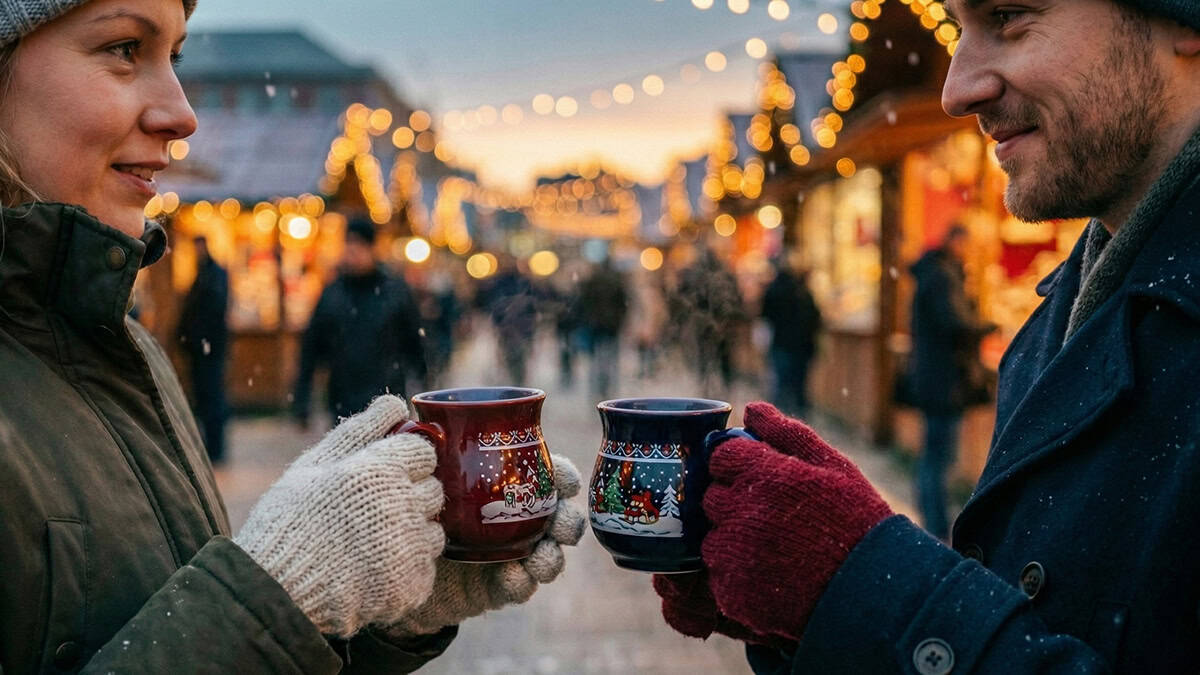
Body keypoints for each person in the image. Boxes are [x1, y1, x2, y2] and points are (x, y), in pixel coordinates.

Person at [0, 2, 584, 673]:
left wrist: (374, 616)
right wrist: (281, 592)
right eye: (125, 48)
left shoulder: (131, 352)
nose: (183, 113)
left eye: (176, 57)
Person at [654, 1, 1200, 672]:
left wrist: (862, 585)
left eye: (1010, 16)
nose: (955, 88)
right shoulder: (1060, 319)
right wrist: (817, 609)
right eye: (960, 27)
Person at [292, 216, 428, 427]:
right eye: (349, 244)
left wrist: (424, 387)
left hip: (388, 400)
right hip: (343, 400)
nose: (353, 251)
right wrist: (302, 399)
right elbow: (311, 347)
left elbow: (415, 344)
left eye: (359, 245)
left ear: (372, 249)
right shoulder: (332, 294)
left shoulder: (394, 292)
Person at [907, 225, 994, 540]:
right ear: (957, 242)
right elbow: (954, 323)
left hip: (932, 378)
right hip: (943, 381)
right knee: (939, 456)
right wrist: (985, 327)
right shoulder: (942, 277)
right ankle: (937, 523)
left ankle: (933, 516)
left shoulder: (931, 273)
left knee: (933, 454)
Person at [176, 235, 230, 464]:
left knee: (211, 397)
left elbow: (211, 312)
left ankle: (215, 448)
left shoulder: (213, 275)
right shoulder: (206, 273)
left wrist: (196, 336)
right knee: (207, 397)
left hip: (208, 348)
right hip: (203, 348)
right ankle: (212, 446)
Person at [760, 261, 821, 417]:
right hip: (801, 348)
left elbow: (765, 317)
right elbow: (815, 320)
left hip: (781, 345)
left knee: (781, 385)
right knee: (799, 387)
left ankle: (778, 421)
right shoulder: (803, 293)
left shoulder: (773, 291)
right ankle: (799, 421)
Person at [479, 254, 537, 384]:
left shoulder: (521, 282)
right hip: (509, 330)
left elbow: (530, 306)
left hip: (520, 328)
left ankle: (517, 384)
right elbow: (494, 305)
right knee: (510, 357)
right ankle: (515, 384)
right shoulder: (501, 283)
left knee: (517, 358)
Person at [578, 257, 629, 399]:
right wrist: (620, 320)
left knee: (595, 360)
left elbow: (584, 303)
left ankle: (596, 390)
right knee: (611, 359)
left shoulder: (592, 281)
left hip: (595, 325)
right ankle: (609, 389)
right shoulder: (616, 282)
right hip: (612, 326)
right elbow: (623, 304)